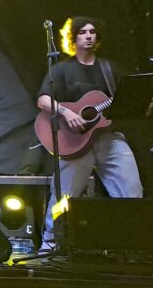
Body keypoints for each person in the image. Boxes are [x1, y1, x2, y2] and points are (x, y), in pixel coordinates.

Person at [36, 16, 143, 246]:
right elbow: (43, 100)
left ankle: (133, 245)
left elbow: (128, 97)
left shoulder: (110, 69)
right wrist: (67, 113)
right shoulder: (62, 69)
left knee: (132, 192)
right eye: (82, 32)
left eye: (92, 32)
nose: (88, 36)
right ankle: (50, 244)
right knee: (64, 196)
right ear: (73, 38)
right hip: (74, 142)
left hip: (110, 137)